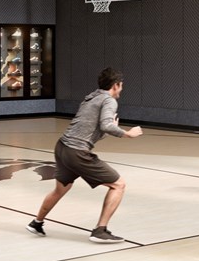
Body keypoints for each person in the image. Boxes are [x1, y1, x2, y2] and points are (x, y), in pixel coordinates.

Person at [26, 67, 143, 243]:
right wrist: (127, 133)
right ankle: (100, 231)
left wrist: (109, 127)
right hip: (77, 152)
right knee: (118, 185)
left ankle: (36, 222)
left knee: (61, 189)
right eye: (121, 85)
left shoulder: (92, 97)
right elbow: (105, 126)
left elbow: (93, 131)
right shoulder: (109, 101)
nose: (122, 89)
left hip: (62, 147)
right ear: (115, 85)